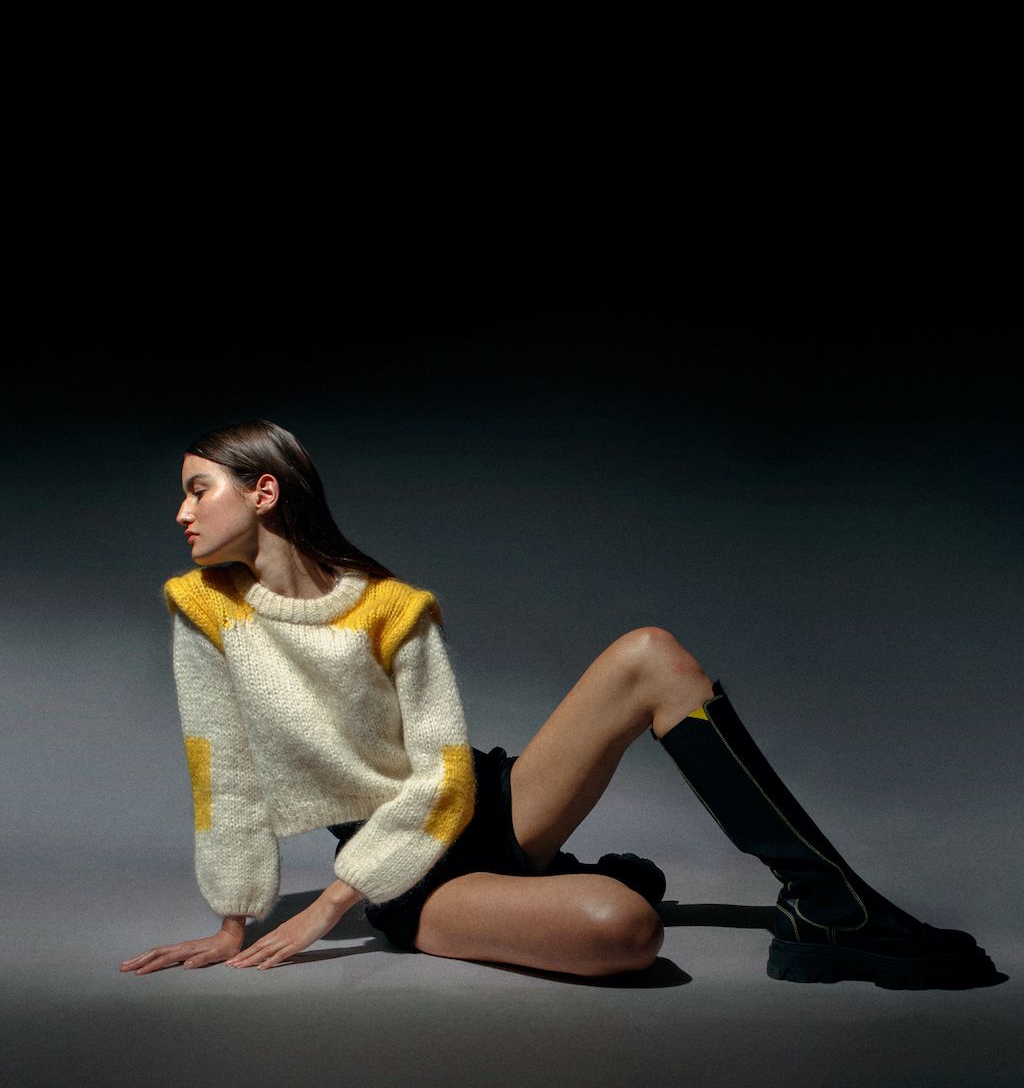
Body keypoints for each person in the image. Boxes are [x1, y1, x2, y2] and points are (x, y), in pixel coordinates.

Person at [121, 420, 996, 988]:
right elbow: (223, 774)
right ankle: (573, 885)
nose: (182, 511)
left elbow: (442, 773)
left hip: (488, 803)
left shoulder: (389, 605)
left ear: (264, 492)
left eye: (198, 488)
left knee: (650, 652)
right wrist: (235, 920)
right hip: (406, 876)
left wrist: (323, 907)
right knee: (629, 929)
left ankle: (831, 906)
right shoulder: (205, 614)